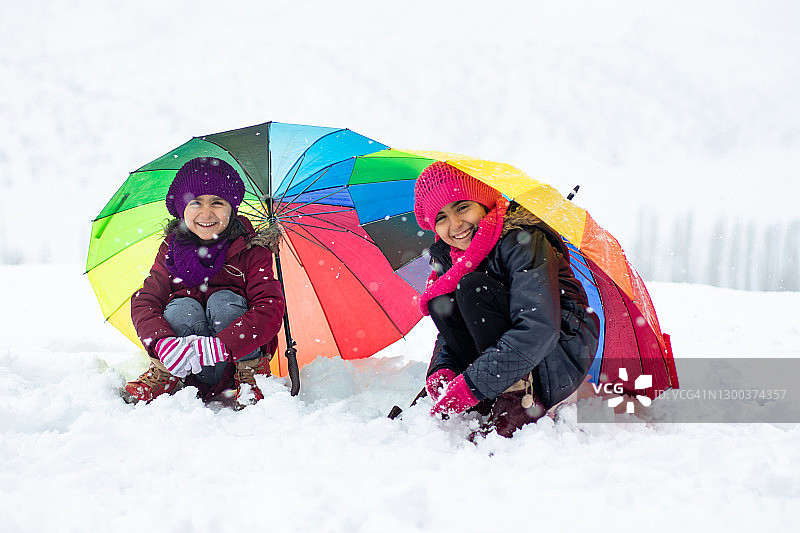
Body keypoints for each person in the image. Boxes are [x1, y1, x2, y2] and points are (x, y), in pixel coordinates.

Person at [415, 162, 600, 437]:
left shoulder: (523, 240)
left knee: (473, 288)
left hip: (554, 354)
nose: (455, 225)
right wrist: (444, 367)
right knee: (442, 300)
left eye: (462, 207)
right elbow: (455, 325)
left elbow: (538, 328)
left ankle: (519, 397)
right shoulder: (454, 258)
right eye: (441, 217)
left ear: (484, 203)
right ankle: (487, 388)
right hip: (509, 354)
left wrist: (473, 386)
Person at [123, 157, 285, 407]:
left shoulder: (252, 250)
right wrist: (162, 343)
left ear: (232, 208)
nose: (206, 213)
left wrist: (223, 345)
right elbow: (145, 301)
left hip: (234, 361)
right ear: (182, 208)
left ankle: (251, 377)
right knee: (181, 307)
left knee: (224, 301)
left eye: (217, 202)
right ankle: (166, 376)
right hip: (183, 364)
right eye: (196, 202)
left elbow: (269, 307)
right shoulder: (171, 249)